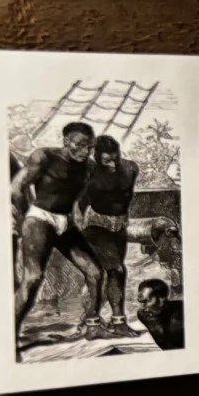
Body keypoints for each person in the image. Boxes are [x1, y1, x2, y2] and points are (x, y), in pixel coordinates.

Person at [11, 121, 102, 348]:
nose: (85, 151)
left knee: (94, 272)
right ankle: (9, 334)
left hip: (66, 223)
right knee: (33, 278)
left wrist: (78, 214)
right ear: (66, 141)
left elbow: (83, 195)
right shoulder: (44, 156)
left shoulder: (89, 166)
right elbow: (17, 187)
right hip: (40, 219)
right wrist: (25, 217)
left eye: (89, 146)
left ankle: (92, 324)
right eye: (80, 145)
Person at [75, 135, 144, 339]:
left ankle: (101, 321)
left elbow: (126, 196)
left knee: (113, 274)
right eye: (107, 161)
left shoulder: (131, 168)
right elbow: (79, 201)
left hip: (119, 227)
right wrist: (78, 222)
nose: (113, 164)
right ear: (96, 157)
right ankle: (102, 323)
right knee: (115, 270)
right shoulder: (88, 171)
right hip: (96, 226)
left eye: (115, 158)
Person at [135, 278, 185, 350]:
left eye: (146, 301)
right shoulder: (143, 315)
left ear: (161, 299)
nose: (142, 307)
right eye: (141, 302)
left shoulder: (181, 313)